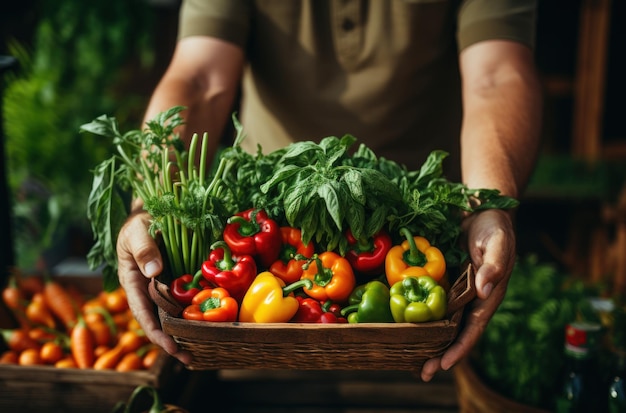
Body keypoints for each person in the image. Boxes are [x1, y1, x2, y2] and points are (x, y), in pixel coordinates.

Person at [116, 0, 542, 382]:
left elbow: (498, 75)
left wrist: (487, 205)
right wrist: (147, 206)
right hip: (267, 219)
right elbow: (199, 75)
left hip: (422, 220)